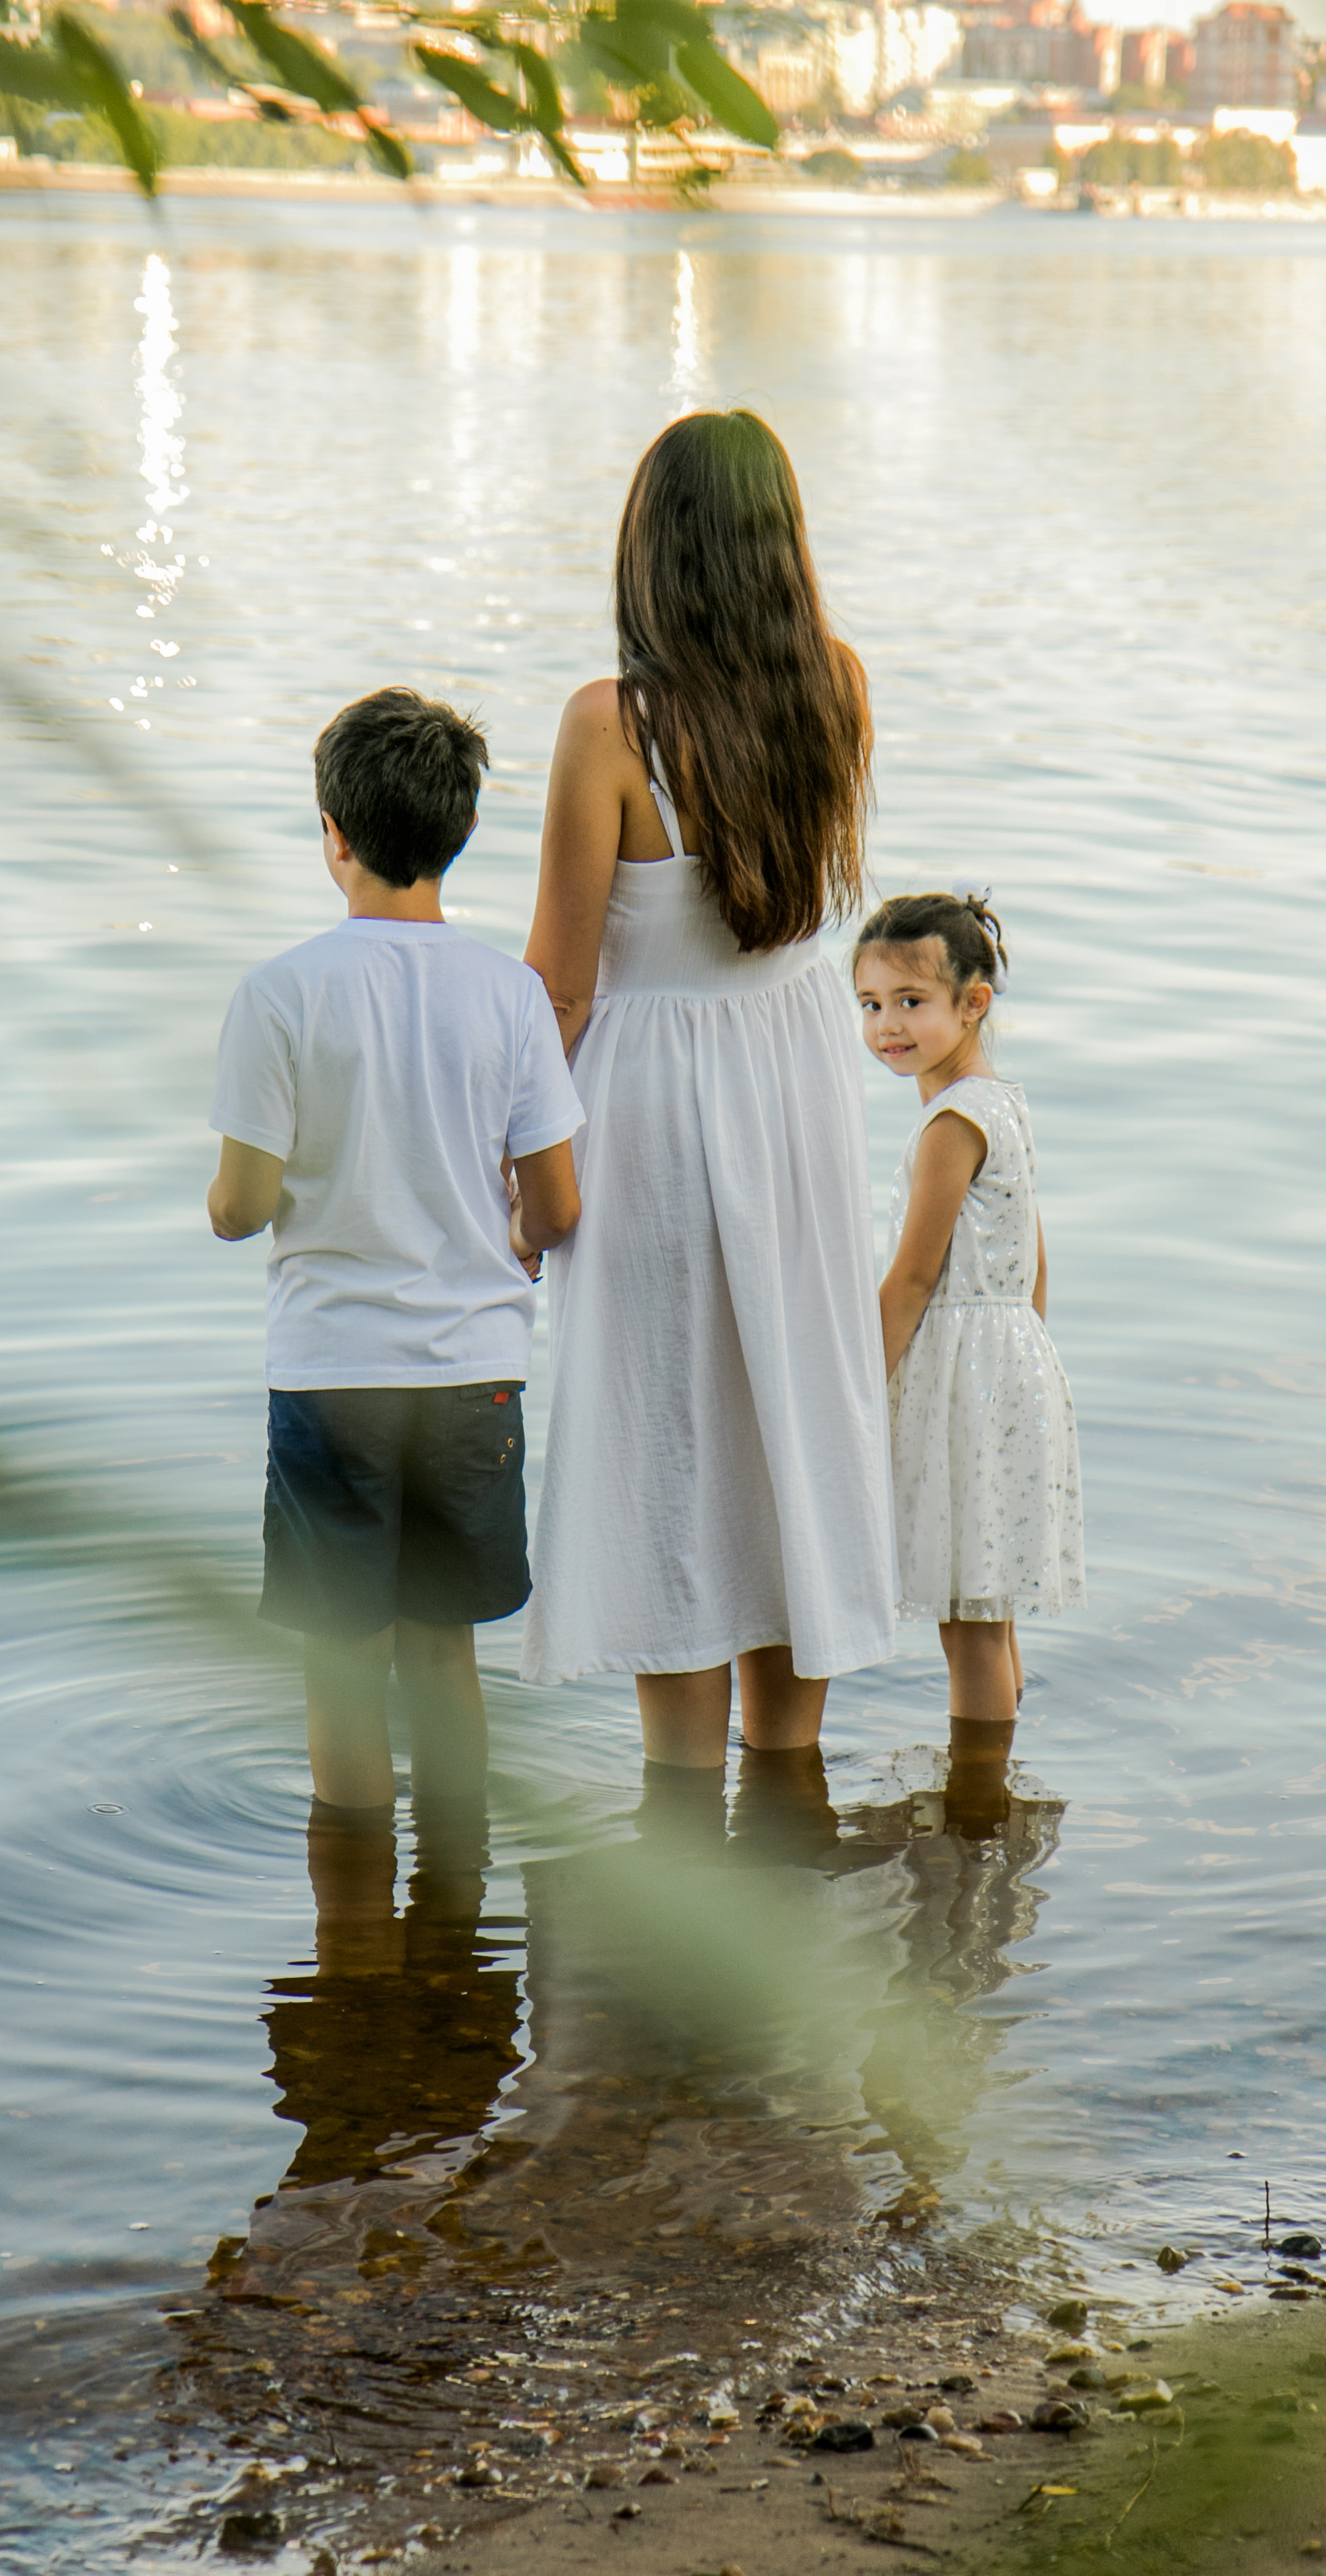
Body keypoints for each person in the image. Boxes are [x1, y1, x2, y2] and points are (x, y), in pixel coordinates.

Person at [521, 410, 900, 1783]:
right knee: (787, 1416)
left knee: (670, 1445)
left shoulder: (608, 727)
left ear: (654, 549)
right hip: (798, 1098)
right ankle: (790, 1791)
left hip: (656, 1114)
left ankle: (680, 1814)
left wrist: (510, 1174)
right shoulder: (838, 689)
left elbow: (558, 988)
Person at [207, 686, 584, 1827]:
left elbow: (242, 1206)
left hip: (333, 1373)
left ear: (334, 833)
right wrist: (512, 1240)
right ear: (461, 830)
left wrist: (231, 1203)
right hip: (473, 1374)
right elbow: (556, 1207)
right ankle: (457, 1893)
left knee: (340, 1667)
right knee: (442, 1654)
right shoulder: (512, 995)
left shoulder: (279, 994)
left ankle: (356, 1915)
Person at [853, 889, 1084, 1771]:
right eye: (870, 1004)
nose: (887, 1026)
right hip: (1009, 1365)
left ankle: (979, 1811)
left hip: (969, 1381)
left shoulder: (951, 1125)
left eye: (911, 1001)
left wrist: (855, 1391)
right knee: (988, 1612)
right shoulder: (1000, 1103)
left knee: (969, 1623)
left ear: (973, 1002)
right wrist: (1018, 1373)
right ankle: (999, 1800)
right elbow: (1035, 1262)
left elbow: (912, 1279)